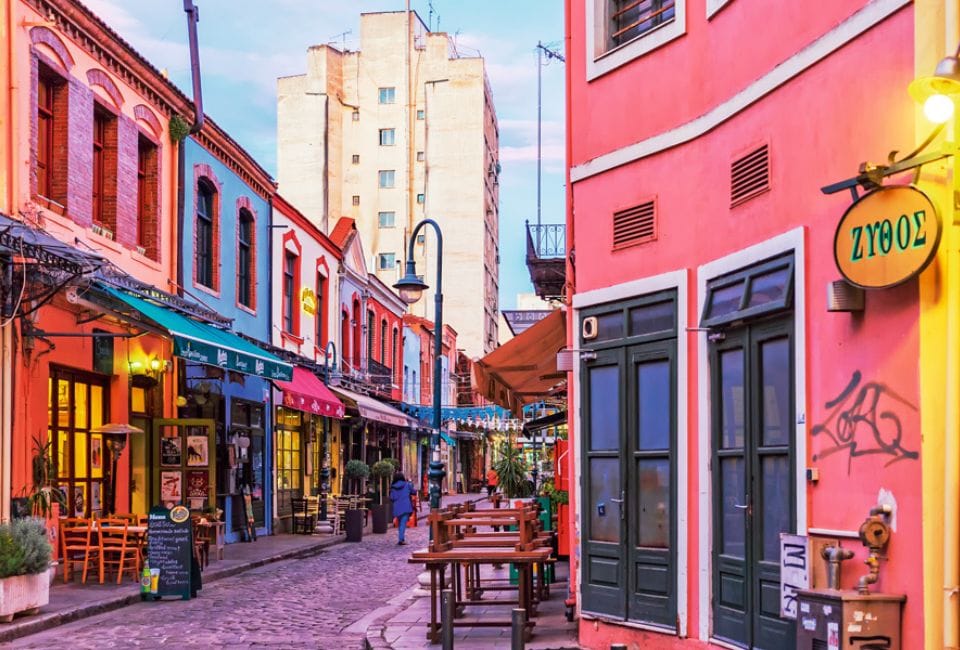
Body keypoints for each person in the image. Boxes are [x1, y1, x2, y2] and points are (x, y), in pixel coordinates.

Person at [389, 471, 416, 545]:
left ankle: (401, 538)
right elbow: (414, 492)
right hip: (406, 506)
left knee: (400, 523)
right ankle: (401, 539)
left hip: (397, 507)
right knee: (403, 524)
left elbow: (392, 497)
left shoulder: (393, 487)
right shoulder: (407, 485)